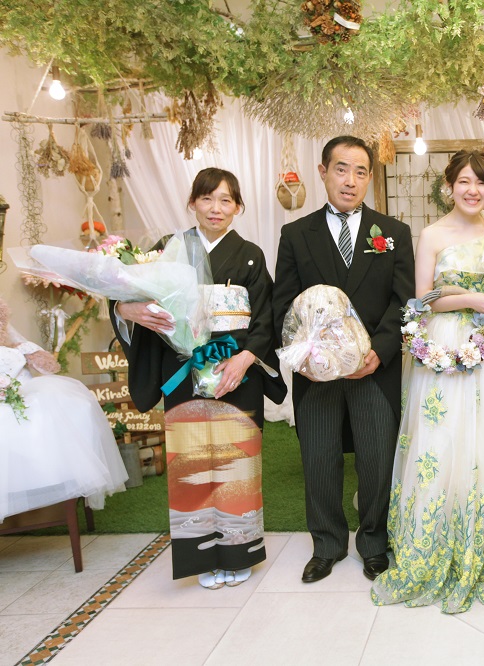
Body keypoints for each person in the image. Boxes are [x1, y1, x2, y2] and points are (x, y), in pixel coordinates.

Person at [371, 151, 484, 613]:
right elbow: (423, 299)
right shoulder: (432, 234)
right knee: (443, 434)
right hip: (446, 341)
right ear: (449, 186)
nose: (474, 190)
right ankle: (438, 530)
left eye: (482, 183)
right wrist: (470, 298)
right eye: (465, 182)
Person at [114, 167, 285, 588]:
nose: (215, 208)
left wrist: (245, 359)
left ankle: (238, 550)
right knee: (191, 464)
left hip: (234, 371)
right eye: (207, 198)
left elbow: (265, 317)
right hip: (183, 369)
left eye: (226, 200)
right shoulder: (167, 249)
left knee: (235, 463)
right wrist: (125, 309)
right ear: (192, 203)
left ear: (238, 207)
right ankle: (202, 556)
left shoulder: (250, 254)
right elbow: (126, 299)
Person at [272, 136, 415, 584]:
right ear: (323, 172)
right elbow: (284, 306)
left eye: (360, 171)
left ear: (369, 178)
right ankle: (327, 545)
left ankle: (373, 542)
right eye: (341, 169)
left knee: (377, 460)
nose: (350, 180)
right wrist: (307, 357)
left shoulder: (393, 233)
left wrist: (379, 352)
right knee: (319, 459)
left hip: (374, 370)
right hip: (317, 375)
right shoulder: (296, 234)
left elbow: (404, 302)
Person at [1, 295, 128, 522]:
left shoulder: (14, 344)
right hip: (7, 402)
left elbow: (48, 366)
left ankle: (72, 482)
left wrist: (27, 351)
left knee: (69, 405)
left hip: (27, 391)